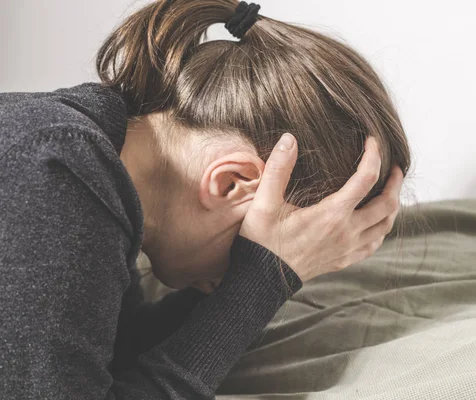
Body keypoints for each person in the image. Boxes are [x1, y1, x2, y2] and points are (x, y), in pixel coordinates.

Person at [0, 0, 410, 399]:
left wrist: (261, 280)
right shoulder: (54, 170)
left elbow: (110, 354)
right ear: (233, 183)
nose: (239, 272)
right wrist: (266, 275)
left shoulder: (92, 162)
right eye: (260, 240)